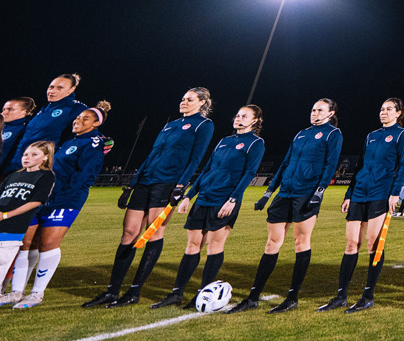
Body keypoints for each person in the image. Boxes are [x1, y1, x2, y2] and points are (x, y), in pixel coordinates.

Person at [86, 87, 215, 308]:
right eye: (182, 98)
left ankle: (134, 292)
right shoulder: (170, 124)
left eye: (189, 99)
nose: (183, 102)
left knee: (153, 233)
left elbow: (196, 158)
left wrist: (181, 185)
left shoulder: (204, 125)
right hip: (145, 181)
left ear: (202, 103)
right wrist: (132, 184)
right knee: (128, 233)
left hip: (167, 184)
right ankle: (112, 291)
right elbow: (152, 154)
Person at [229, 98, 342, 314]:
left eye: (320, 110)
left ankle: (292, 298)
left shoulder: (333, 134)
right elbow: (285, 163)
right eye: (313, 109)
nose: (315, 113)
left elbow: (330, 164)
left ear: (330, 113)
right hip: (285, 192)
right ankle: (253, 297)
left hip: (306, 193)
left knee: (301, 242)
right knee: (272, 242)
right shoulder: (301, 134)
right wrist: (268, 193)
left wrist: (318, 193)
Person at [148, 105, 265, 309]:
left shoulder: (255, 143)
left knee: (214, 247)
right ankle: (177, 293)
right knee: (192, 246)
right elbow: (207, 169)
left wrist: (233, 199)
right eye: (237, 115)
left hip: (223, 201)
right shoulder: (224, 141)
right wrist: (189, 195)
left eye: (244, 116)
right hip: (203, 198)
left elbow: (249, 173)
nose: (238, 118)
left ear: (255, 121)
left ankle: (203, 294)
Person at [2, 100, 110, 307]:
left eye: (85, 118)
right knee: (26, 243)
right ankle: (16, 292)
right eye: (78, 117)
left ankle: (36, 294)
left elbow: (83, 177)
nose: (78, 120)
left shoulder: (93, 143)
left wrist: (60, 197)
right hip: (44, 198)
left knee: (48, 244)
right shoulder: (70, 141)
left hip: (65, 200)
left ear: (96, 124)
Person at [326, 97, 404, 313]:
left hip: (380, 194)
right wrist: (349, 194)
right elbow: (361, 165)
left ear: (398, 113)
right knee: (351, 244)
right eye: (382, 109)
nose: (384, 112)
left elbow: (403, 165)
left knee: (374, 244)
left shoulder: (402, 135)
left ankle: (368, 295)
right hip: (359, 193)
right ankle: (341, 296)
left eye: (389, 109)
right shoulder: (371, 136)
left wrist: (394, 193)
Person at [0, 143, 55, 300]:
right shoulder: (14, 175)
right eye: (25, 154)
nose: (27, 158)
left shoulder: (46, 176)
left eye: (34, 155)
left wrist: (6, 215)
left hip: (12, 228)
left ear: (45, 158)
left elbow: (36, 202)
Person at [13, 75, 90, 171]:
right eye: (51, 87)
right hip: (19, 163)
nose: (52, 91)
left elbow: (87, 129)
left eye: (60, 88)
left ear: (71, 89)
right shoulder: (45, 109)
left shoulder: (76, 107)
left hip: (42, 165)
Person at [0, 99, 38, 176]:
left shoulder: (26, 130)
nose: (4, 112)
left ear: (25, 111)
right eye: (3, 109)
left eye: (10, 109)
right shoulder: (2, 126)